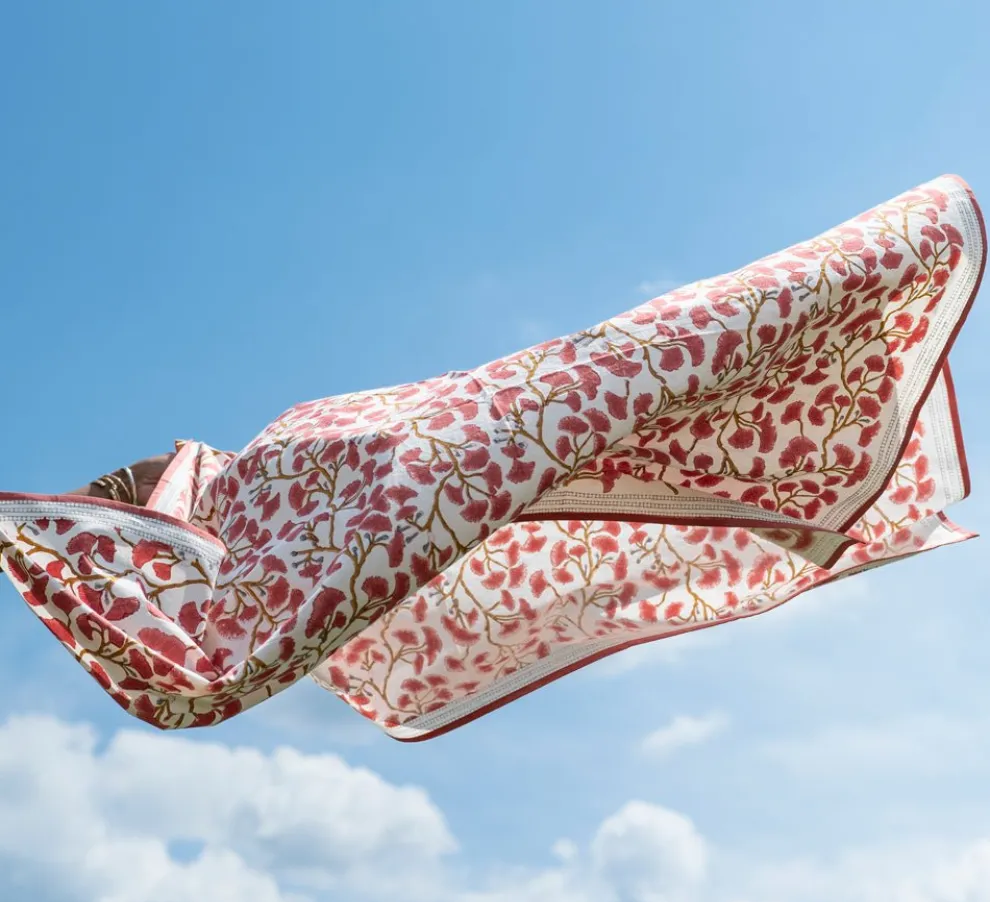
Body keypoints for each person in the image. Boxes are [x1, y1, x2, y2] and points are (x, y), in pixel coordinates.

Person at [1, 173, 982, 741]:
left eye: (122, 490)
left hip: (479, 433)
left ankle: (852, 336)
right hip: (451, 467)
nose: (119, 490)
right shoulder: (262, 540)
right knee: (621, 377)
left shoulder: (276, 465)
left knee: (628, 364)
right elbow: (202, 656)